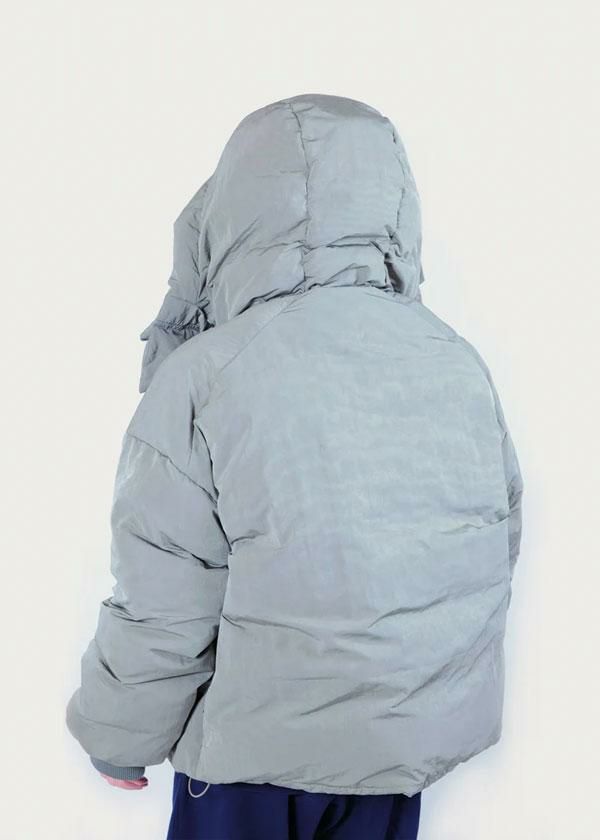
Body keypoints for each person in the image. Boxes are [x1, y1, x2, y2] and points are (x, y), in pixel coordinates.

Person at [66, 94, 523, 840]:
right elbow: (494, 544)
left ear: (231, 214)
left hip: (252, 770)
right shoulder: (456, 362)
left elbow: (165, 596)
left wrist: (120, 730)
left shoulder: (209, 376)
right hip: (395, 762)